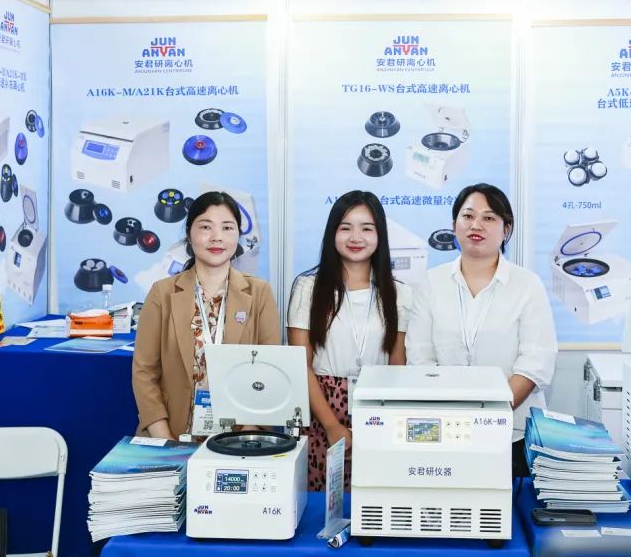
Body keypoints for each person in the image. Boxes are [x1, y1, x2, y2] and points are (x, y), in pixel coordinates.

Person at [406, 183, 558, 478]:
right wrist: (458, 418)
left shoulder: (527, 285)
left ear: (506, 229)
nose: (476, 225)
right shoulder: (430, 283)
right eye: (468, 216)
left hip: (513, 434)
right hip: (445, 430)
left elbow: (535, 364)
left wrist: (487, 417)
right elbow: (420, 359)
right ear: (454, 224)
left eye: (489, 218)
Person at [287, 191, 413, 492]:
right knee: (322, 504)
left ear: (380, 235)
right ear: (332, 233)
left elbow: (398, 364)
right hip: (321, 407)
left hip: (378, 406)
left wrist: (388, 418)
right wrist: (332, 425)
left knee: (375, 497)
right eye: (346, 228)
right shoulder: (308, 288)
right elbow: (300, 365)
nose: (356, 237)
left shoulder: (400, 293)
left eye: (366, 228)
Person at [133, 191, 281, 440]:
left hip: (238, 437)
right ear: (189, 234)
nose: (217, 237)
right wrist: (166, 440)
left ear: (238, 236)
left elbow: (269, 369)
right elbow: (144, 372)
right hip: (172, 435)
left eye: (227, 228)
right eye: (205, 227)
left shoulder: (259, 293)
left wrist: (245, 437)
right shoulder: (162, 293)